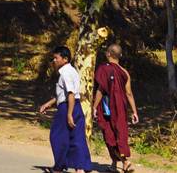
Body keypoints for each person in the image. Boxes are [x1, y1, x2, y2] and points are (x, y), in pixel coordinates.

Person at [38, 45, 92, 173]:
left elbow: (70, 94)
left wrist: (69, 114)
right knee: (77, 138)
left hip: (68, 107)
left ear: (65, 59)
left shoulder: (65, 73)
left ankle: (59, 167)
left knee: (57, 136)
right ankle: (81, 168)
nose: (54, 61)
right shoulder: (72, 71)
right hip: (76, 106)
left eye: (56, 58)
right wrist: (48, 103)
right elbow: (63, 94)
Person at [91, 43, 138, 172]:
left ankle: (125, 161)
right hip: (121, 108)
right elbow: (129, 93)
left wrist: (94, 107)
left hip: (107, 107)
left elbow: (100, 90)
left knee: (109, 134)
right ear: (120, 55)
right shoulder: (124, 72)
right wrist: (134, 111)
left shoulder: (103, 69)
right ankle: (114, 163)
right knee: (119, 134)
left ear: (108, 54)